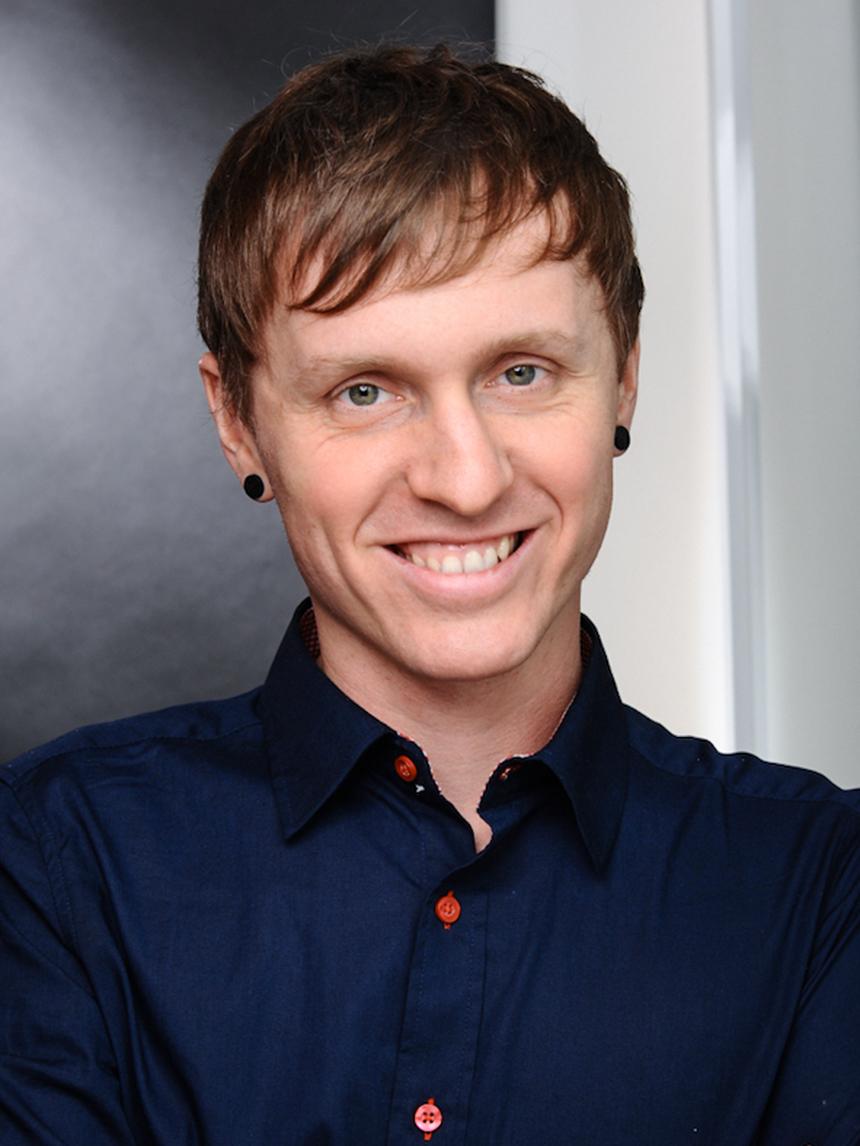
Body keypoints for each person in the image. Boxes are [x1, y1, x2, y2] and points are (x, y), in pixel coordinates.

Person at [1, 43, 858, 1146]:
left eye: (521, 372)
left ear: (624, 372)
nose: (464, 478)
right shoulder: (49, 868)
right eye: (364, 390)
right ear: (236, 421)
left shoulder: (820, 887)